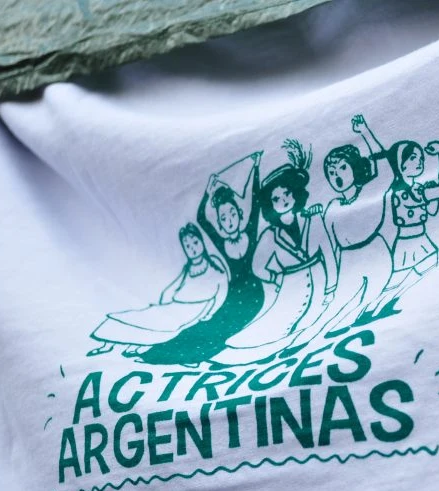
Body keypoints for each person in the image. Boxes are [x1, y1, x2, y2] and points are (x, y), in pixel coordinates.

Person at [212, 139, 338, 366]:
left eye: (286, 194)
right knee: (281, 328)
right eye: (276, 199)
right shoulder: (270, 235)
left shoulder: (313, 219)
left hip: (320, 279)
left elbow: (327, 251)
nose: (283, 200)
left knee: (322, 321)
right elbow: (258, 266)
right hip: (292, 287)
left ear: (295, 193)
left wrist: (331, 286)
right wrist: (278, 279)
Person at [136, 152, 265, 365]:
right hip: (233, 295)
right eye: (223, 217)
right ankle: (153, 355)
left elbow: (256, 200)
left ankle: (188, 357)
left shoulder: (249, 232)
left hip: (254, 294)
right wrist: (208, 192)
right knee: (205, 326)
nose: (229, 221)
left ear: (240, 214)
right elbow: (202, 218)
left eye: (232, 214)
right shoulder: (221, 242)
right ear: (220, 223)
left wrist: (255, 168)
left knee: (223, 330)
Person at [284, 114, 396, 348]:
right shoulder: (332, 207)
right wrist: (330, 284)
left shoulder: (372, 191)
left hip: (378, 254)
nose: (337, 176)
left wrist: (364, 132)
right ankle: (302, 342)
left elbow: (385, 165)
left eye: (342, 168)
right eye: (331, 172)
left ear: (355, 167)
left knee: (374, 308)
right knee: (338, 314)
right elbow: (329, 248)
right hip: (348, 263)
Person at [86, 223, 229, 360]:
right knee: (141, 316)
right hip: (175, 304)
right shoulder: (188, 267)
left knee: (162, 324)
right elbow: (173, 286)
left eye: (195, 243)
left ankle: (135, 346)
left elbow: (222, 289)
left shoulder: (214, 262)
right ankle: (107, 344)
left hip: (195, 308)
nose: (193, 249)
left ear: (202, 241)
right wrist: (164, 301)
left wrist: (209, 312)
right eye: (187, 246)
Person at [379, 138, 439, 313]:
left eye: (421, 158)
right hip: (407, 243)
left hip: (421, 238)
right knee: (396, 280)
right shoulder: (401, 192)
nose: (419, 162)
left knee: (426, 267)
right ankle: (374, 308)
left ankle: (387, 304)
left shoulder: (417, 188)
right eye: (413, 158)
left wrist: (432, 195)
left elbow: (432, 211)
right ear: (401, 164)